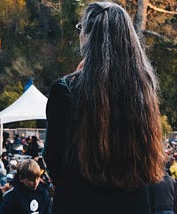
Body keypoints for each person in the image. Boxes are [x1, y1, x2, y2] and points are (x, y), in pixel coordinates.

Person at [43, 2, 167, 214]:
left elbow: (52, 156)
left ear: (87, 37)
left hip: (78, 199)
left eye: (81, 28)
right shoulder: (142, 88)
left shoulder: (65, 90)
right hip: (132, 200)